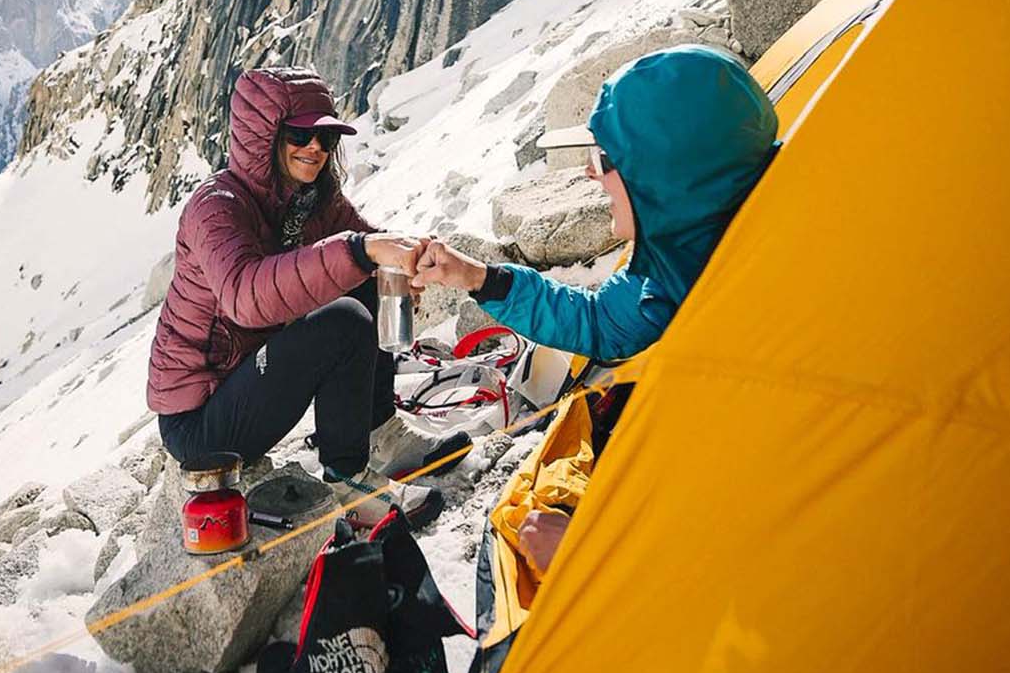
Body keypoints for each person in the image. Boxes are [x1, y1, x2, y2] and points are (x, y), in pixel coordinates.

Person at [414, 43, 779, 567]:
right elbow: (601, 321)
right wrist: (476, 278)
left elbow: (754, 514)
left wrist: (595, 549)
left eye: (604, 159)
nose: (590, 173)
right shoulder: (678, 255)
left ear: (662, 176)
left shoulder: (756, 306)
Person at [147, 66, 467, 526]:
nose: (315, 147)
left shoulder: (309, 199)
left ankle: (380, 434)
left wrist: (407, 258)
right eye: (299, 134)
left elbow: (365, 242)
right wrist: (361, 251)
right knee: (344, 320)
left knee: (366, 276)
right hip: (201, 423)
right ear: (263, 136)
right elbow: (244, 297)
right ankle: (348, 482)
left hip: (252, 380)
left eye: (327, 138)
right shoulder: (215, 207)